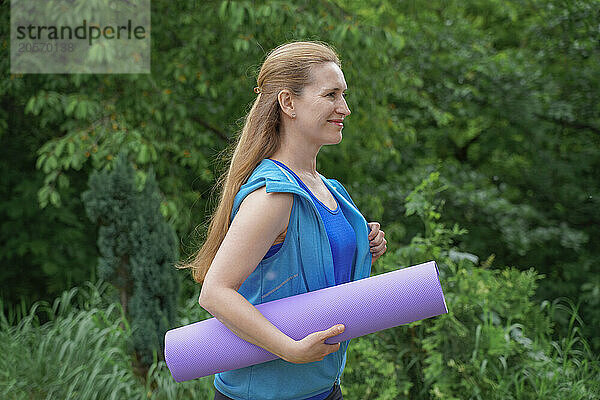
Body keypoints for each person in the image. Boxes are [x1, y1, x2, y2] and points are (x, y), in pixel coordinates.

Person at [178, 41, 387, 400]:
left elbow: (311, 268)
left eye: (344, 95)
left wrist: (361, 247)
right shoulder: (273, 196)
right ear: (288, 103)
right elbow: (214, 293)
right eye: (331, 95)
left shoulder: (328, 190)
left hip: (323, 390)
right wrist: (289, 348)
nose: (345, 108)